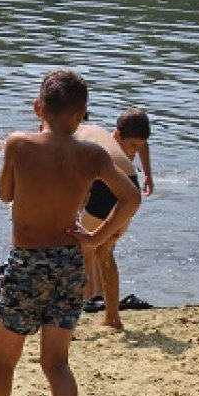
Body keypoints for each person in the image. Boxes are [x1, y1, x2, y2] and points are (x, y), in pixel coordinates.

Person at [0, 68, 140, 396]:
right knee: (56, 361)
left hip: (27, 263)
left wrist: (17, 164)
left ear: (37, 107)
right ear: (82, 113)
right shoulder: (93, 154)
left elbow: (5, 195)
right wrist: (95, 239)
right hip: (69, 263)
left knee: (4, 359)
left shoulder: (19, 144)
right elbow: (130, 198)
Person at [75, 109, 153, 329]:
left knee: (82, 253)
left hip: (108, 189)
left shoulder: (73, 134)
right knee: (105, 250)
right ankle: (112, 318)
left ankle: (71, 322)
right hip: (130, 187)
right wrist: (147, 175)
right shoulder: (98, 133)